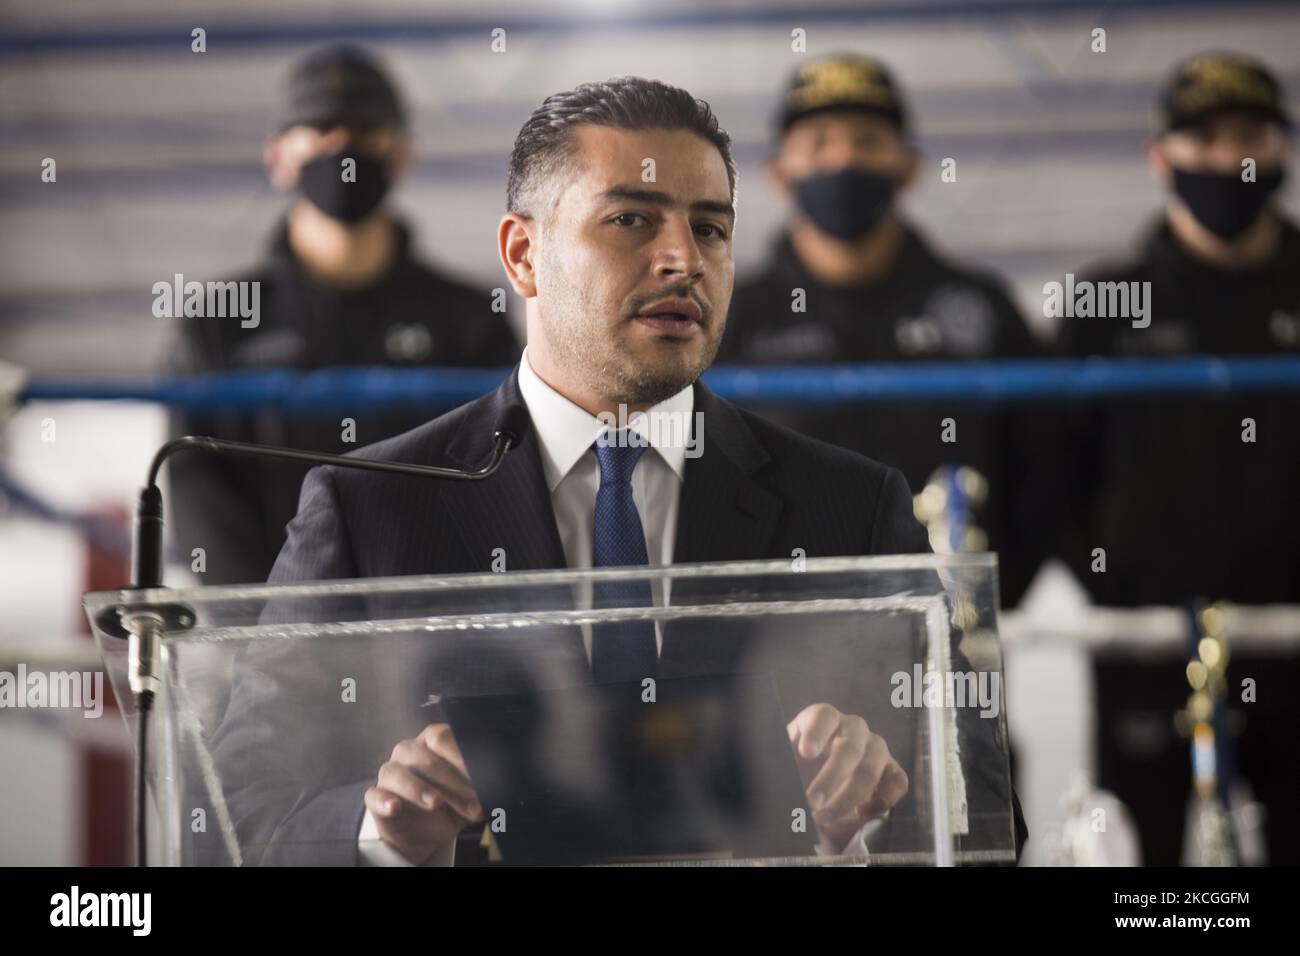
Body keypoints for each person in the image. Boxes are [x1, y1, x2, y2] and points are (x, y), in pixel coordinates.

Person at [207, 76, 1026, 866]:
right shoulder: (369, 510)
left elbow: (985, 815)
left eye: (710, 229)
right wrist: (380, 833)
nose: (683, 260)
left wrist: (878, 821)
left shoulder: (853, 506)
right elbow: (236, 810)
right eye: (632, 219)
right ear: (523, 255)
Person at [1058, 51, 1300, 865]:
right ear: (1161, 156)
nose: (1228, 156)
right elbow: (1056, 476)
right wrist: (1119, 582)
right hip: (1148, 646)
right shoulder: (1102, 307)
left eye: (1250, 133)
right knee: (1152, 879)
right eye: (1204, 136)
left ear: (1284, 149)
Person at [168, 45, 519, 585]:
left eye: (363, 127)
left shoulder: (471, 321)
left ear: (402, 155)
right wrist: (265, 629)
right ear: (279, 158)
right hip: (273, 641)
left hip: (430, 634)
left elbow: (502, 474)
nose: (342, 146)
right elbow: (198, 484)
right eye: (320, 126)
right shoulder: (219, 321)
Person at [716, 53, 1054, 609]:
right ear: (779, 172)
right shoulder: (732, 318)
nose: (845, 157)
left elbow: (1046, 466)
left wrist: (986, 596)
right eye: (820, 141)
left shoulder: (980, 306)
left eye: (869, 140)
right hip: (777, 645)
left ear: (909, 166)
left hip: (958, 631)